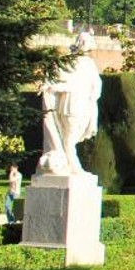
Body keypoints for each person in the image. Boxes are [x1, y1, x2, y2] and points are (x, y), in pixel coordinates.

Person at [38, 32, 103, 176]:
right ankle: (74, 167)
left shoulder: (89, 63)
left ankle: (68, 163)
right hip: (70, 105)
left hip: (84, 105)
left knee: (74, 136)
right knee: (69, 138)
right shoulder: (68, 62)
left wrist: (92, 98)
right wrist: (48, 85)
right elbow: (59, 79)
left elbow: (96, 84)